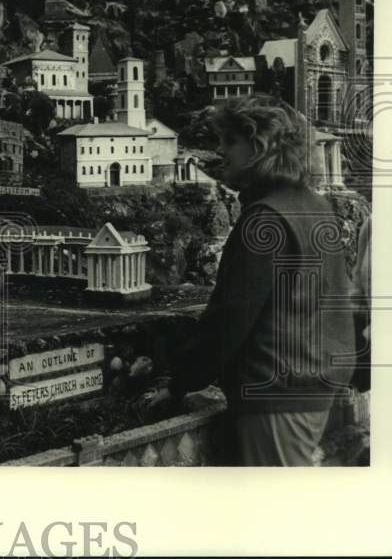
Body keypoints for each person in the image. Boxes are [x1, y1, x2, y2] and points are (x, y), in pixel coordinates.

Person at [148, 97, 356, 465]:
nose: (219, 151)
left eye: (229, 141)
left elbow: (228, 319)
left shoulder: (265, 218)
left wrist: (179, 383)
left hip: (277, 392)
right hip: (316, 383)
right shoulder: (315, 206)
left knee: (278, 511)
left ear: (258, 146)